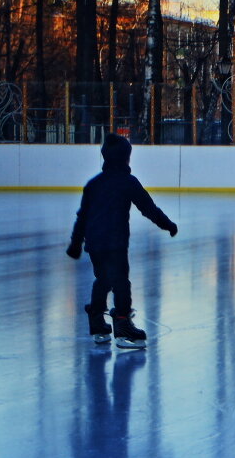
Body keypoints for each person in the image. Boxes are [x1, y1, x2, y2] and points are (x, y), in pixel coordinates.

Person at [66, 133, 177, 348]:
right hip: (115, 243)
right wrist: (169, 225)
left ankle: (97, 323)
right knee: (121, 283)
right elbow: (149, 209)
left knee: (103, 280)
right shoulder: (128, 182)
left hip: (95, 243)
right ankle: (123, 326)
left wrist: (75, 243)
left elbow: (82, 216)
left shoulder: (94, 184)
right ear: (126, 158)